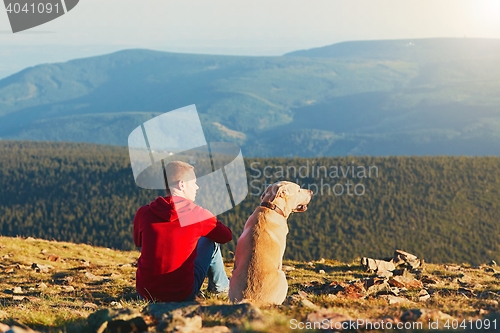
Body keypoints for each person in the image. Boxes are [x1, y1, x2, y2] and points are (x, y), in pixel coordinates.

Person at [133, 160, 232, 302]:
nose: (197, 187)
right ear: (181, 184)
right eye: (194, 182)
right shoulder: (197, 215)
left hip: (145, 293)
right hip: (182, 294)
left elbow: (139, 242)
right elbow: (226, 236)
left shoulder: (144, 212)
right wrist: (208, 218)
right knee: (211, 242)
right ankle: (220, 289)